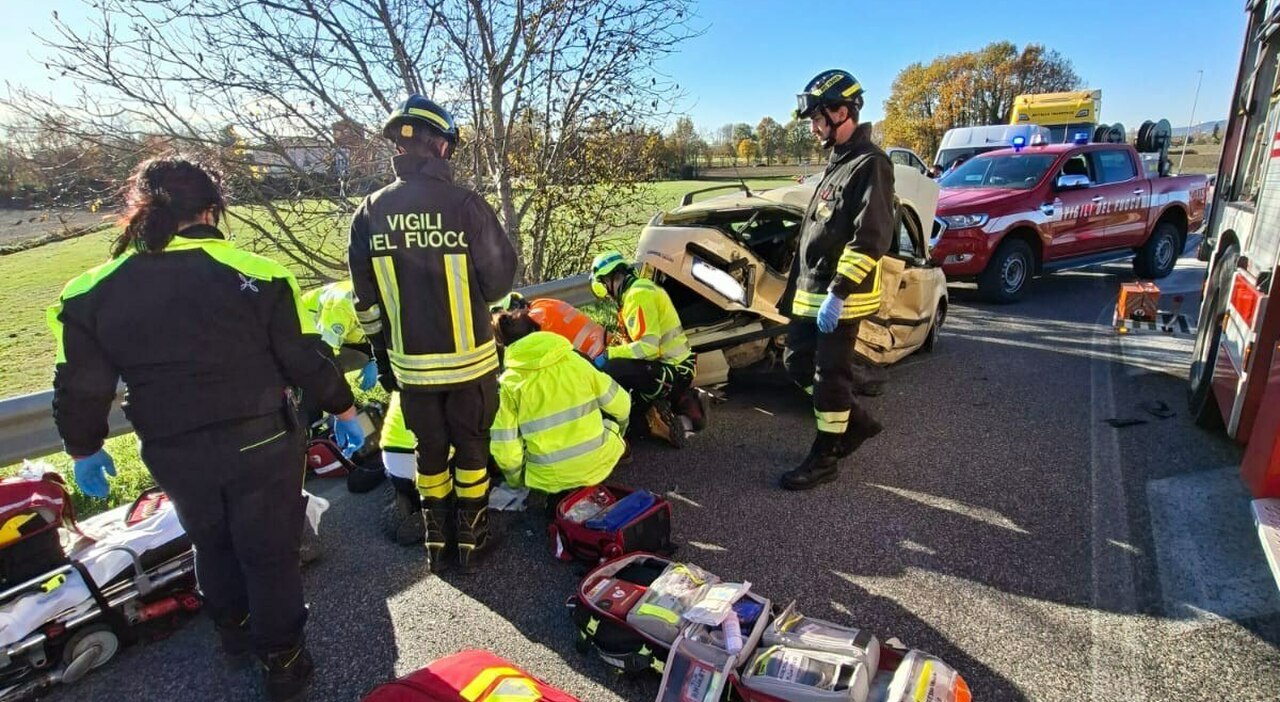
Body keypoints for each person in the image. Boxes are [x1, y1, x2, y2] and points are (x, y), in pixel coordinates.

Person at [48, 157, 364, 701]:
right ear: (213, 210)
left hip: (172, 447)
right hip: (262, 440)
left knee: (210, 539)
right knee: (269, 551)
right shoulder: (260, 274)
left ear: (140, 209)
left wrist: (83, 448)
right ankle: (284, 660)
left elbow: (80, 384)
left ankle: (233, 632)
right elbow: (304, 359)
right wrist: (345, 410)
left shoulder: (89, 290)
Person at [348, 95, 518, 574]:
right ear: (442, 146)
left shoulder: (369, 212)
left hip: (412, 370)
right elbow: (499, 284)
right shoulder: (466, 206)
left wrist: (383, 356)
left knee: (430, 452)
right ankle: (471, 538)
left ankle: (436, 543)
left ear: (399, 147)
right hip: (471, 366)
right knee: (471, 449)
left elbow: (365, 302)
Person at [781, 69, 893, 490]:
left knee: (830, 378)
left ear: (841, 112)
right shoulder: (839, 163)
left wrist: (840, 292)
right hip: (810, 294)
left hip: (839, 298)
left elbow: (871, 236)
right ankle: (856, 424)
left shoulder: (871, 165)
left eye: (817, 118)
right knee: (795, 364)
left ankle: (826, 456)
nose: (813, 127)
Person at [489, 312, 630, 513]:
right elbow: (621, 404)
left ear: (502, 345)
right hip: (596, 463)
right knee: (609, 421)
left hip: (548, 477)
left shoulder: (508, 384)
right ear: (537, 330)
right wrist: (620, 432)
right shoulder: (574, 360)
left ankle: (560, 495)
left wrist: (517, 480)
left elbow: (506, 451)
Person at [588, 251, 701, 448]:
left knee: (613, 370)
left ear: (608, 280)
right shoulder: (640, 290)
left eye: (603, 285)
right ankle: (677, 406)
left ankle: (656, 423)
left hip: (671, 372)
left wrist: (609, 355)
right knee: (625, 380)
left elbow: (648, 348)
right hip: (677, 368)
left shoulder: (637, 296)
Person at [300, 279, 378, 385]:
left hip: (345, 334)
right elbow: (326, 350)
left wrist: (375, 360)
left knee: (368, 358)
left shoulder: (389, 302)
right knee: (326, 368)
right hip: (304, 334)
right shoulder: (342, 305)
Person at [490, 291, 606, 359]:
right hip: (606, 344)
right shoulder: (542, 303)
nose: (515, 314)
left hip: (597, 358)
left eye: (511, 316)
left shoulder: (537, 319)